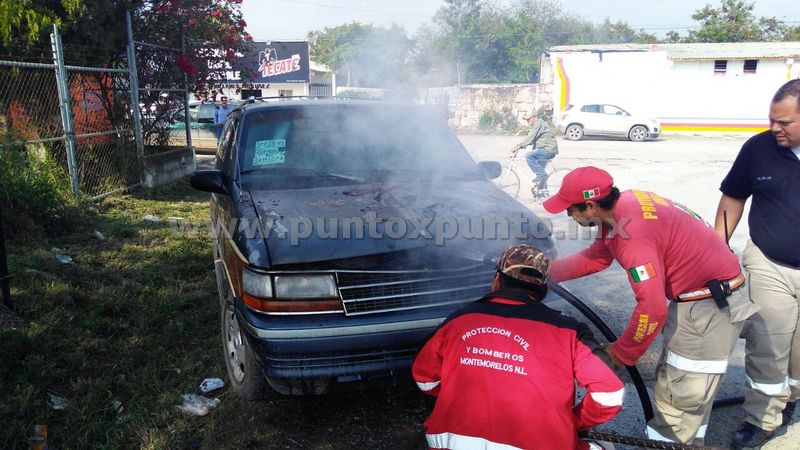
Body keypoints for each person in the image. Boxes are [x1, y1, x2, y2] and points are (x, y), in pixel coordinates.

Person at [541, 166, 759, 446]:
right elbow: (596, 257)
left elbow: (652, 308)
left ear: (591, 206)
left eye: (571, 210)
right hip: (704, 295)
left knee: (680, 403)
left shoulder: (633, 236)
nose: (568, 215)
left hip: (708, 309)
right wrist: (545, 273)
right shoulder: (624, 207)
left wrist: (622, 352)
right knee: (681, 392)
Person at [412, 244, 624, 450]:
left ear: (497, 281)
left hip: (449, 443)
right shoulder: (569, 331)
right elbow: (609, 394)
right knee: (603, 445)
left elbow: (425, 381)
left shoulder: (459, 319)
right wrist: (575, 421)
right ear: (543, 290)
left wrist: (463, 394)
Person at [714, 78, 800, 449]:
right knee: (768, 345)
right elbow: (732, 200)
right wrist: (715, 254)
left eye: (784, 123)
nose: (775, 129)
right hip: (769, 263)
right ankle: (760, 418)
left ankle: (791, 398)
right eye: (771, 120)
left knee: (798, 353)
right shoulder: (758, 149)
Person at [511, 113, 559, 195]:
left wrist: (518, 147)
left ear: (534, 117)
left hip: (548, 150)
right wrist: (520, 147)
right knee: (540, 172)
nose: (527, 121)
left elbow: (530, 138)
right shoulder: (538, 124)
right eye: (526, 119)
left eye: (529, 118)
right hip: (545, 150)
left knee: (529, 156)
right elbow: (531, 140)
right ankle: (542, 193)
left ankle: (542, 176)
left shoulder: (539, 123)